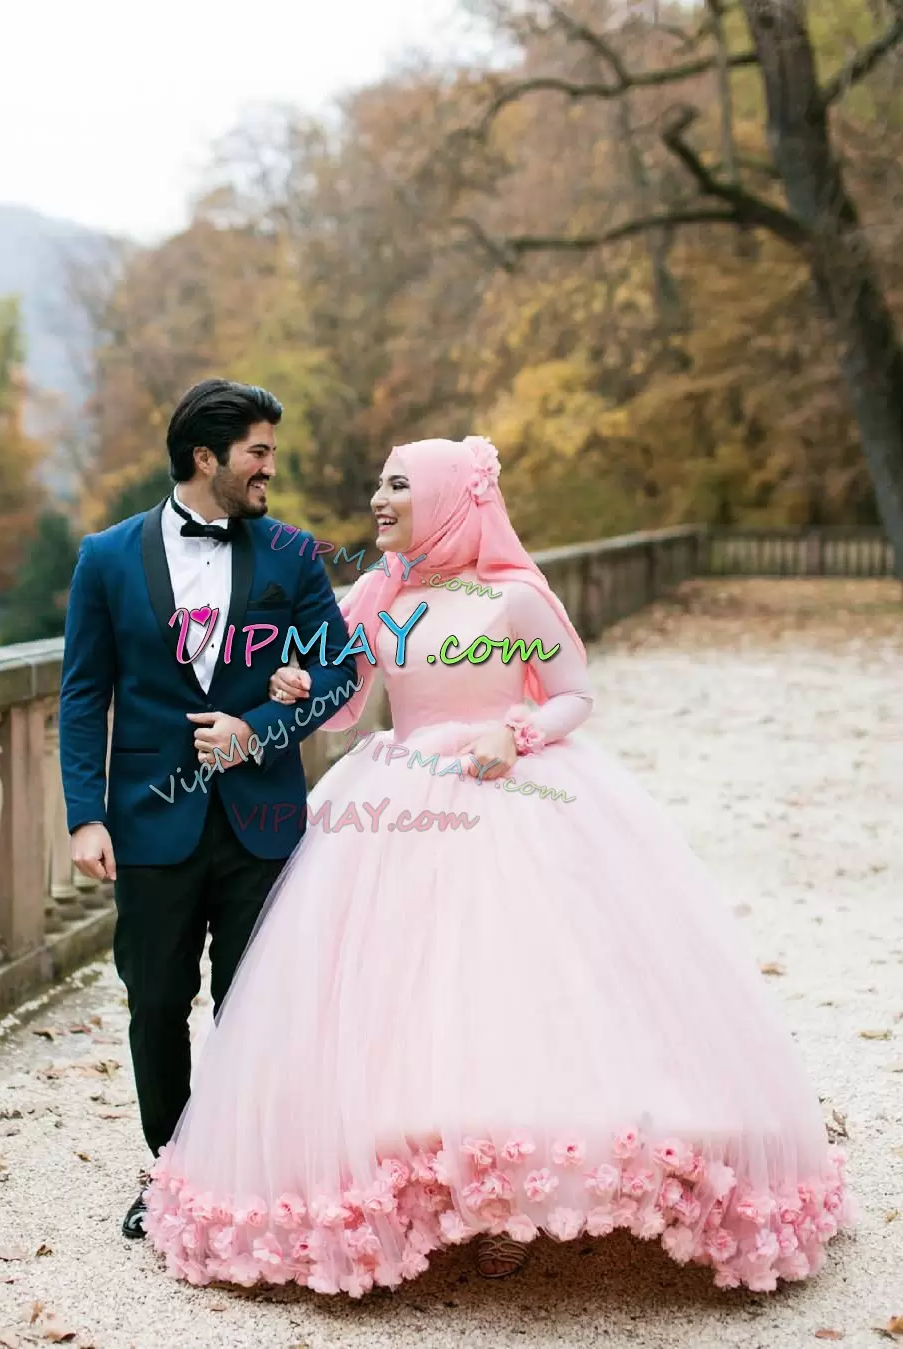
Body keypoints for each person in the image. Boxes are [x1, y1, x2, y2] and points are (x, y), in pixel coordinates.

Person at [143, 435, 852, 1295]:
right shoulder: (376, 591)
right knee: (395, 996)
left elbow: (574, 695)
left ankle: (515, 1188)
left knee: (514, 985)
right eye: (380, 480)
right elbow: (349, 711)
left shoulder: (514, 599)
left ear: (446, 498)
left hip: (512, 798)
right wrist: (300, 690)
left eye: (398, 484)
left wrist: (512, 732)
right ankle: (409, 1189)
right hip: (391, 804)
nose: (379, 496)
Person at [58, 378, 358, 1241]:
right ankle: (172, 1170)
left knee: (251, 999)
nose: (272, 465)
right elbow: (84, 697)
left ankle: (244, 1168)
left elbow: (340, 671)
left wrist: (258, 727)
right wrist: (87, 814)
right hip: (149, 818)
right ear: (205, 457)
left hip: (261, 818)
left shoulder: (296, 556)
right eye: (258, 451)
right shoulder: (105, 558)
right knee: (154, 999)